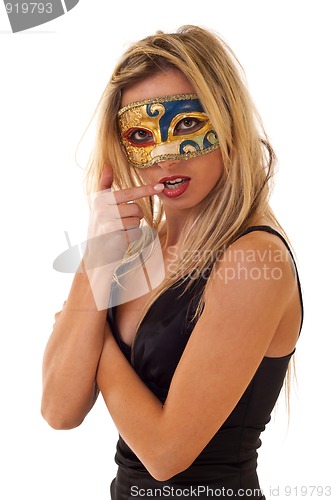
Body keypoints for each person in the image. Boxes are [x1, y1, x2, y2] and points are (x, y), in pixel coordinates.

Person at [41, 25, 304, 499]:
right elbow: (59, 410)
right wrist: (96, 259)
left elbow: (165, 455)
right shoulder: (133, 250)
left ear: (226, 122)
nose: (164, 156)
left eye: (185, 124)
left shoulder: (254, 259)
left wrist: (89, 330)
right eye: (142, 134)